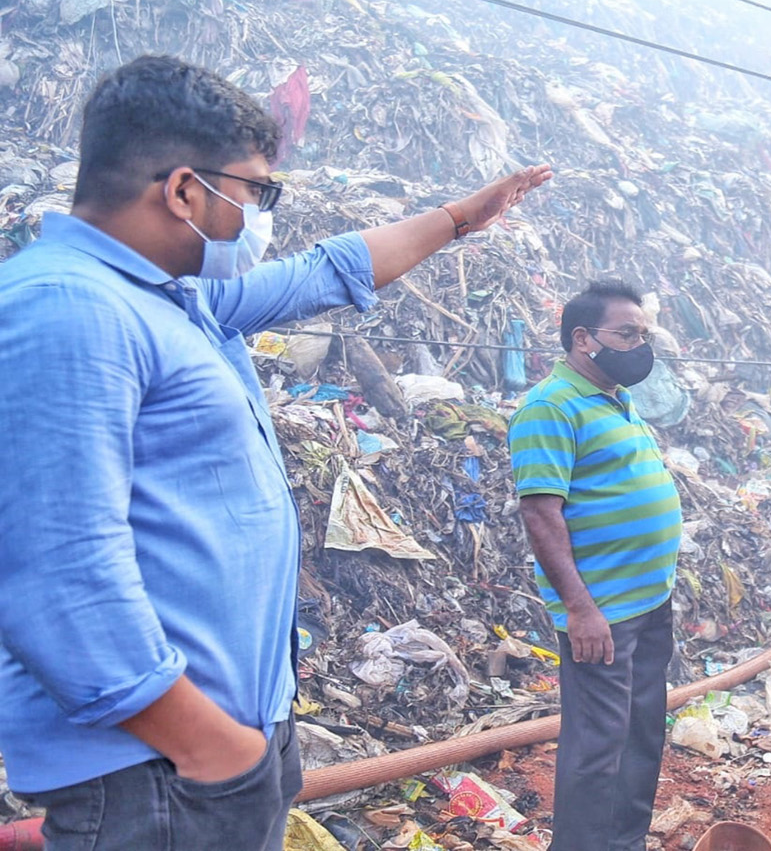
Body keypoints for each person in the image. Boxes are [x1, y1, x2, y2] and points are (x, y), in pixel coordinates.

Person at [0, 55, 550, 850]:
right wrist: (211, 748)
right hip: (157, 767)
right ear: (184, 190)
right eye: (256, 192)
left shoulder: (174, 298)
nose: (260, 216)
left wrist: (461, 218)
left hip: (212, 748)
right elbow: (54, 573)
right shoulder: (67, 310)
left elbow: (325, 272)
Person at [507, 280, 681, 851]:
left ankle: (625, 843)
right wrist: (580, 609)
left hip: (648, 601)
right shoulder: (550, 407)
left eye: (643, 334)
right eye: (626, 334)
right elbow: (540, 514)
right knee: (597, 746)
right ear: (583, 338)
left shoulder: (614, 396)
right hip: (602, 612)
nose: (639, 346)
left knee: (641, 733)